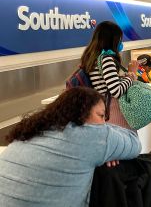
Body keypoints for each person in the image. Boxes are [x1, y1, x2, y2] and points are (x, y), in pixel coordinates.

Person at [0, 87, 141, 207]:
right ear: (82, 113)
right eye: (101, 116)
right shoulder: (91, 137)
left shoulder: (31, 131)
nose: (103, 123)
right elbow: (135, 143)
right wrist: (106, 147)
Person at [80, 21, 138, 129]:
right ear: (112, 40)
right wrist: (131, 75)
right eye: (119, 39)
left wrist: (123, 77)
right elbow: (116, 91)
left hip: (103, 108)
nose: (121, 42)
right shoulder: (106, 59)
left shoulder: (93, 57)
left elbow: (105, 82)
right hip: (113, 111)